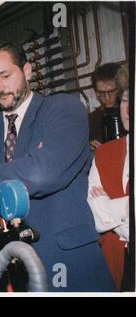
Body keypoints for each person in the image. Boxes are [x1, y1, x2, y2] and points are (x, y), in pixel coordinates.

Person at [0, 42, 115, 291]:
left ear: (27, 70)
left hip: (68, 259)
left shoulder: (63, 109)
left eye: (5, 76)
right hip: (9, 266)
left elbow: (43, 174)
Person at [88, 65, 131, 291]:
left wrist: (113, 207)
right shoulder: (93, 122)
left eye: (111, 93)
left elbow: (106, 212)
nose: (129, 108)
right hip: (120, 266)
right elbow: (97, 216)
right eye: (126, 100)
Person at [89, 63, 123, 151]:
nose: (107, 98)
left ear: (121, 88)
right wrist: (88, 147)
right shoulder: (91, 119)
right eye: (101, 93)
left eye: (112, 91)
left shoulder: (129, 113)